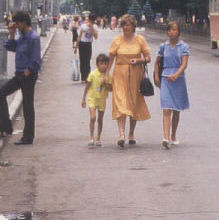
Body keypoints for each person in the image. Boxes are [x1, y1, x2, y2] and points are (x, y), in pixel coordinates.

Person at [0, 10, 41, 145]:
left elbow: (36, 61)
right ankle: (6, 126)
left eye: (17, 22)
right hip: (19, 73)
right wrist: (12, 34)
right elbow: (10, 46)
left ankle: (28, 136)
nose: (16, 25)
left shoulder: (33, 37)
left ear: (24, 22)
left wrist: (26, 73)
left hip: (28, 75)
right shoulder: (22, 36)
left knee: (27, 105)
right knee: (0, 93)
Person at [107, 14, 151, 147]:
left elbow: (148, 57)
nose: (125, 27)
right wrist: (106, 73)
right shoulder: (117, 40)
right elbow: (111, 58)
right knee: (121, 101)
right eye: (123, 25)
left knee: (133, 102)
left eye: (128, 25)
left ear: (133, 26)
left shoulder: (140, 40)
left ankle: (131, 133)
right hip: (120, 73)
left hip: (136, 74)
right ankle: (121, 134)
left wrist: (139, 60)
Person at [154, 22, 190, 149]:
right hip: (165, 79)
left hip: (178, 79)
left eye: (174, 30)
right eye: (169, 30)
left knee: (176, 109)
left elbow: (184, 64)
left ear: (178, 32)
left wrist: (176, 74)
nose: (171, 32)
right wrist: (157, 77)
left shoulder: (183, 46)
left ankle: (173, 135)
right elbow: (157, 62)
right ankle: (166, 137)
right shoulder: (163, 46)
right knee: (166, 108)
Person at [81, 53, 110, 147]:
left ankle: (98, 138)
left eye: (105, 64)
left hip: (102, 99)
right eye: (101, 63)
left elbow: (111, 88)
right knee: (93, 117)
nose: (103, 66)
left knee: (100, 119)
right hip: (92, 98)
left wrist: (106, 84)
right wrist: (83, 99)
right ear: (97, 64)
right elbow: (87, 86)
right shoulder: (93, 74)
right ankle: (91, 137)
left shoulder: (108, 76)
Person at [76, 13, 98, 82]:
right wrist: (76, 46)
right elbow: (79, 36)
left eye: (90, 20)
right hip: (82, 44)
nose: (88, 20)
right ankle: (83, 77)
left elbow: (96, 37)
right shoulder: (83, 26)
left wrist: (91, 27)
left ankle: (87, 77)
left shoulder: (95, 27)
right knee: (82, 60)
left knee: (87, 60)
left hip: (88, 44)